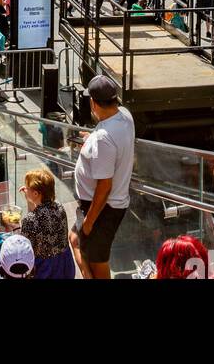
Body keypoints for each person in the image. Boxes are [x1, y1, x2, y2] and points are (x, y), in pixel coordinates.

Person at [69, 74, 136, 280]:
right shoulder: (124, 116)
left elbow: (104, 186)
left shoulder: (104, 139)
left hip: (101, 210)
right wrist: (91, 141)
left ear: (93, 103)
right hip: (102, 207)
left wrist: (89, 221)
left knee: (99, 265)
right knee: (74, 239)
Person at [20, 166, 74, 280]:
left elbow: (27, 249)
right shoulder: (59, 207)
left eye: (28, 187)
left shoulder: (30, 220)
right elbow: (41, 216)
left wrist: (15, 229)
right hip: (65, 263)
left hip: (45, 269)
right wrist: (29, 199)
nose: (25, 188)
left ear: (36, 193)